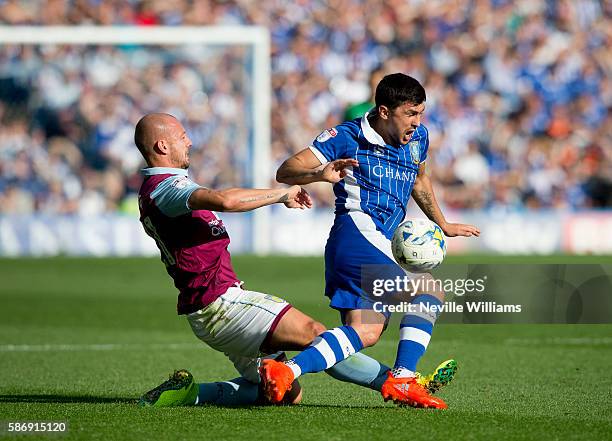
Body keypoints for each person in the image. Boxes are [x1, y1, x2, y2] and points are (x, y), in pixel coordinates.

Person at [134, 112, 456, 408]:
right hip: (222, 304)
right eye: (182, 136)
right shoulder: (165, 188)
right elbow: (225, 200)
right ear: (162, 144)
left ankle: (191, 394)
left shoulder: (160, 189)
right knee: (317, 335)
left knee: (285, 396)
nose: (189, 140)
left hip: (207, 309)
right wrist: (282, 194)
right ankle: (400, 382)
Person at [264, 73, 480, 409]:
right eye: (410, 113)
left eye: (421, 113)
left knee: (364, 334)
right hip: (357, 234)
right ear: (383, 111)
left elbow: (420, 181)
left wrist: (444, 223)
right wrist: (320, 174)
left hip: (377, 241)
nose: (417, 122)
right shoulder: (346, 136)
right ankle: (404, 379)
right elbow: (287, 170)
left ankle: (287, 371)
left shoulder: (418, 137)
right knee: (429, 289)